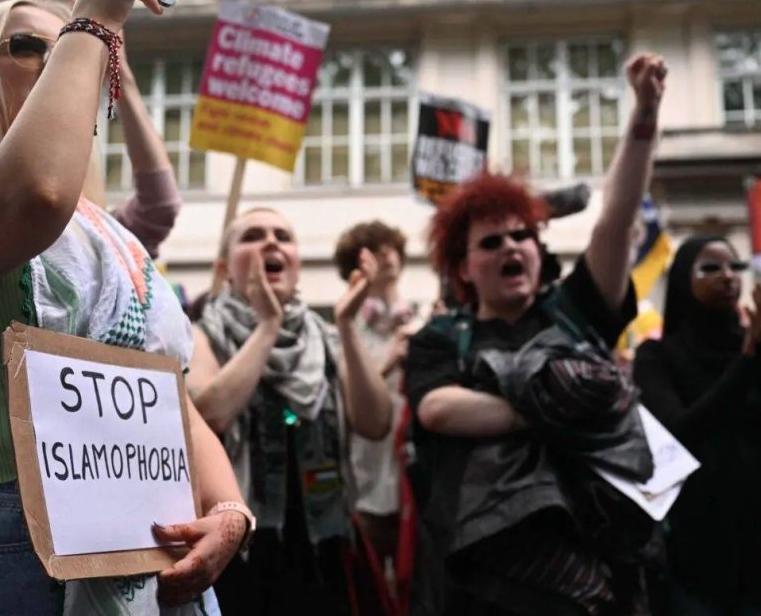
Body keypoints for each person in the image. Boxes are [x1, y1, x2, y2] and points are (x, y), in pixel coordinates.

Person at [0, 0, 247, 613]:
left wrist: (228, 509)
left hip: (155, 562)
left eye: (71, 46)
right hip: (10, 557)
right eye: (30, 46)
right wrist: (97, 17)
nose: (63, 56)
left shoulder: (108, 234)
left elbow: (167, 394)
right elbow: (36, 192)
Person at [403, 52, 667, 616]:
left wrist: (645, 112)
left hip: (593, 570)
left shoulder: (576, 311)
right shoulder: (441, 338)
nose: (511, 247)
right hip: (480, 580)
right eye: (490, 242)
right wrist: (569, 409)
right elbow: (440, 410)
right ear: (463, 267)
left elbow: (616, 218)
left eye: (521, 235)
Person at [187, 207, 395, 615]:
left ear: (297, 264)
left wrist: (347, 325)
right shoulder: (200, 335)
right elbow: (209, 417)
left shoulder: (327, 338)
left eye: (282, 236)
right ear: (224, 268)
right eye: (253, 236)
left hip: (322, 545)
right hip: (240, 549)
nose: (271, 242)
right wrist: (268, 326)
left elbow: (375, 422)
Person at [634, 236, 761, 616]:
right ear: (681, 281)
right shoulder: (658, 356)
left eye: (735, 267)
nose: (728, 276)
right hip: (697, 552)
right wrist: (747, 362)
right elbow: (678, 433)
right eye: (710, 267)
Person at [332, 221, 416, 594]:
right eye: (374, 251)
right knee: (369, 589)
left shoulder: (421, 323)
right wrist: (387, 364)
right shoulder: (345, 332)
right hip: (365, 481)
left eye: (391, 248)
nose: (386, 256)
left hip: (411, 477)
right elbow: (347, 400)